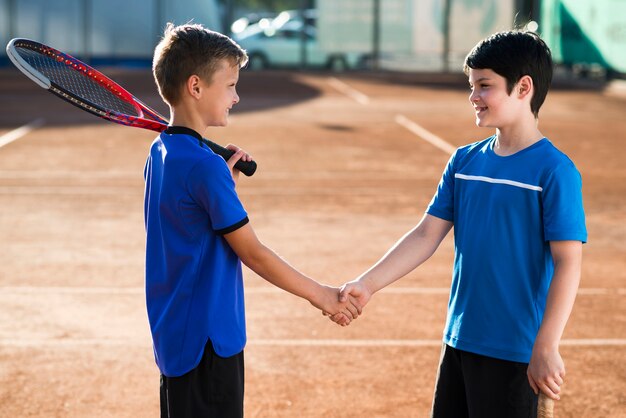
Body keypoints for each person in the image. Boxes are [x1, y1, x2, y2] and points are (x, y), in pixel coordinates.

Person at [334, 30, 587, 417]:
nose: (473, 96)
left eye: (484, 86)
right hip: (460, 341)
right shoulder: (465, 161)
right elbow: (425, 234)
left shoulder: (554, 171)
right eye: (472, 86)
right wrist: (368, 284)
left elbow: (569, 261)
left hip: (515, 352)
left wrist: (546, 345)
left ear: (523, 88)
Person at [144, 23, 359, 418]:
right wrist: (323, 295)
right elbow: (253, 253)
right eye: (229, 85)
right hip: (208, 343)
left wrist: (227, 187)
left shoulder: (160, 152)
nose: (236, 96)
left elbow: (191, 225)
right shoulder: (205, 168)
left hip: (175, 331)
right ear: (195, 87)